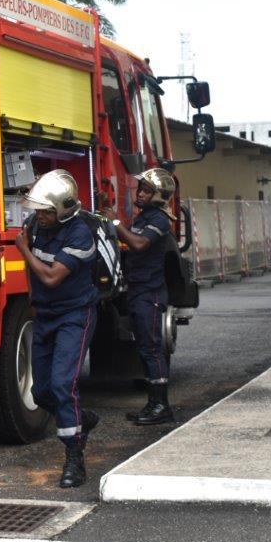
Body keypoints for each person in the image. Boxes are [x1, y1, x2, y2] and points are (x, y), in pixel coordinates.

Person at [14, 170, 100, 488]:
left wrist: (22, 247)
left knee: (63, 387)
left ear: (63, 210)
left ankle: (74, 460)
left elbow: (51, 276)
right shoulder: (37, 225)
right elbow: (33, 271)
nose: (40, 215)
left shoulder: (80, 235)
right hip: (46, 315)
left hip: (74, 315)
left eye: (47, 211)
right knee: (41, 392)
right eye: (38, 210)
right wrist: (32, 298)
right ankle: (81, 419)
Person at [101, 168, 177, 425]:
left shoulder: (159, 220)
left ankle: (162, 406)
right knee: (144, 349)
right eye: (140, 188)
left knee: (152, 349)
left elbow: (139, 244)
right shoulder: (144, 217)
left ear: (158, 196)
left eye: (146, 190)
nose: (140, 193)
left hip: (150, 293)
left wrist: (115, 223)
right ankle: (152, 404)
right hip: (138, 291)